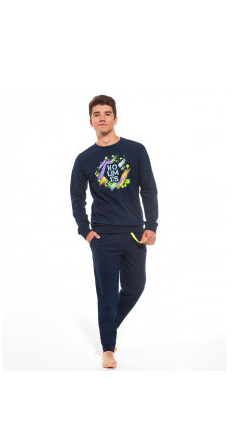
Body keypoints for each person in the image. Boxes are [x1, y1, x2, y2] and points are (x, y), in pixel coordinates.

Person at [70, 95, 159, 369]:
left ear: (115, 118)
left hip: (134, 233)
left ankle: (109, 327)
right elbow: (76, 198)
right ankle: (108, 348)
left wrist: (151, 225)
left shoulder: (136, 150)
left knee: (135, 287)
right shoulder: (84, 159)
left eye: (107, 113)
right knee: (107, 294)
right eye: (97, 114)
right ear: (90, 121)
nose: (102, 118)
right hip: (103, 237)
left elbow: (149, 189)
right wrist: (85, 231)